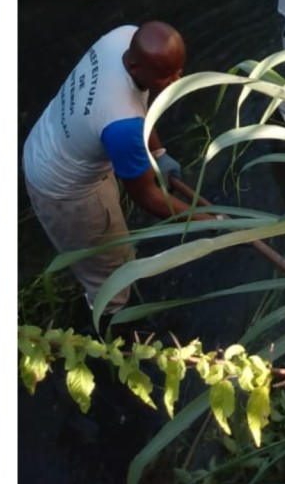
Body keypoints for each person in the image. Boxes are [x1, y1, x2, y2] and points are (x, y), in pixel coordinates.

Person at [22, 21, 204, 315]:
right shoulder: (122, 126)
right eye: (166, 76)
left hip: (54, 137)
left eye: (179, 71)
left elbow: (138, 108)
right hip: (63, 187)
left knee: (116, 243)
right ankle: (109, 322)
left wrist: (158, 153)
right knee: (109, 275)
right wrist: (209, 222)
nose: (176, 81)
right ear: (135, 67)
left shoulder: (123, 37)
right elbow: (147, 198)